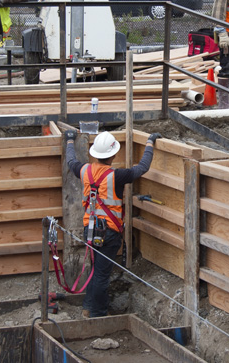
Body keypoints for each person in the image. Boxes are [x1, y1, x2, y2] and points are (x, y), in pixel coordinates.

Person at [65, 130, 161, 318]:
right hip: (109, 232)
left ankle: (88, 308)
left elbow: (70, 161)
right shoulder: (116, 175)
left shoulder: (84, 170)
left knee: (95, 270)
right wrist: (149, 143)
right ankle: (98, 314)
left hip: (90, 229)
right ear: (113, 154)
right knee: (101, 274)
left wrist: (69, 140)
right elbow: (142, 168)